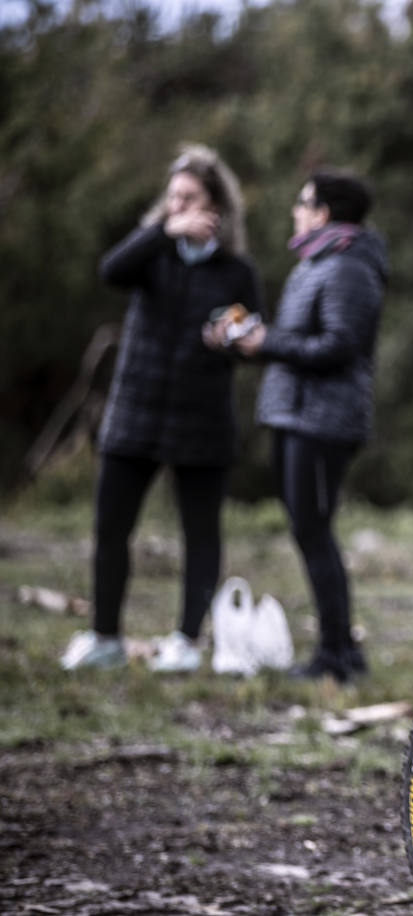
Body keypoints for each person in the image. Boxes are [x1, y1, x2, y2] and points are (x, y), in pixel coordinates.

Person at [61, 143, 262, 673]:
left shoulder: (235, 271)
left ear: (215, 206)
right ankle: (104, 636)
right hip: (136, 414)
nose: (179, 207)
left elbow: (251, 333)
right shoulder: (151, 254)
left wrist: (233, 338)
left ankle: (186, 641)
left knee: (200, 534)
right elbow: (110, 270)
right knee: (110, 527)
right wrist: (162, 232)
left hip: (201, 420)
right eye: (172, 198)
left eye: (190, 198)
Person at [222, 169, 387, 683]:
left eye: (302, 202)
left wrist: (265, 343)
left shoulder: (347, 268)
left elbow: (339, 346)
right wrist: (251, 340)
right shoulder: (317, 262)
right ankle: (339, 650)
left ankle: (337, 656)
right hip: (297, 413)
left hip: (323, 421)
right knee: (309, 530)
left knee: (314, 531)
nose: (294, 209)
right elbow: (302, 339)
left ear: (323, 212)